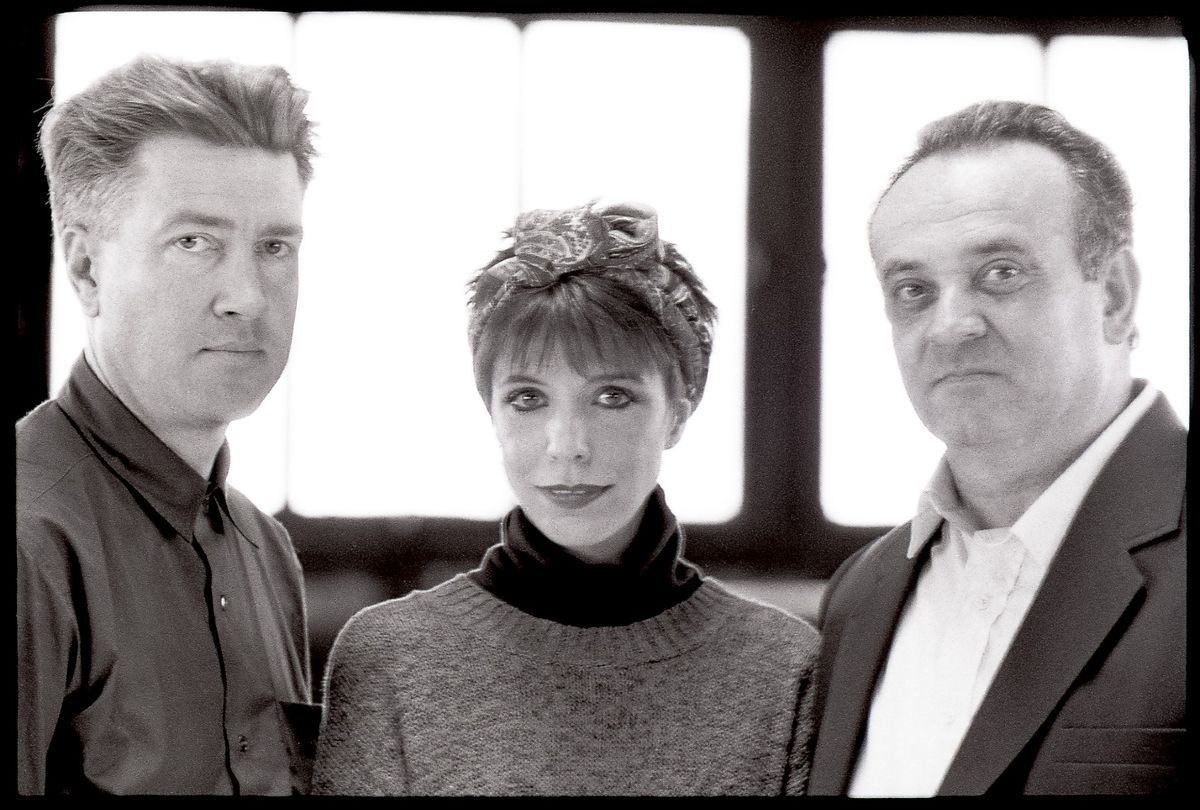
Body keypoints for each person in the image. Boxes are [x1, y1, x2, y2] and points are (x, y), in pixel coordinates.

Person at [312, 201, 820, 796]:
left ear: (677, 414)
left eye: (612, 397)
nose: (566, 447)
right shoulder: (390, 658)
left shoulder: (783, 668)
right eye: (528, 399)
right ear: (492, 414)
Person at [809, 100, 1186, 795]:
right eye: (913, 289)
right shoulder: (859, 595)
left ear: (1116, 297)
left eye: (1001, 273)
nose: (951, 325)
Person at [17, 54, 321, 795]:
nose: (246, 297)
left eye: (274, 247)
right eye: (195, 242)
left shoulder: (265, 550)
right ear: (86, 269)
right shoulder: (29, 540)